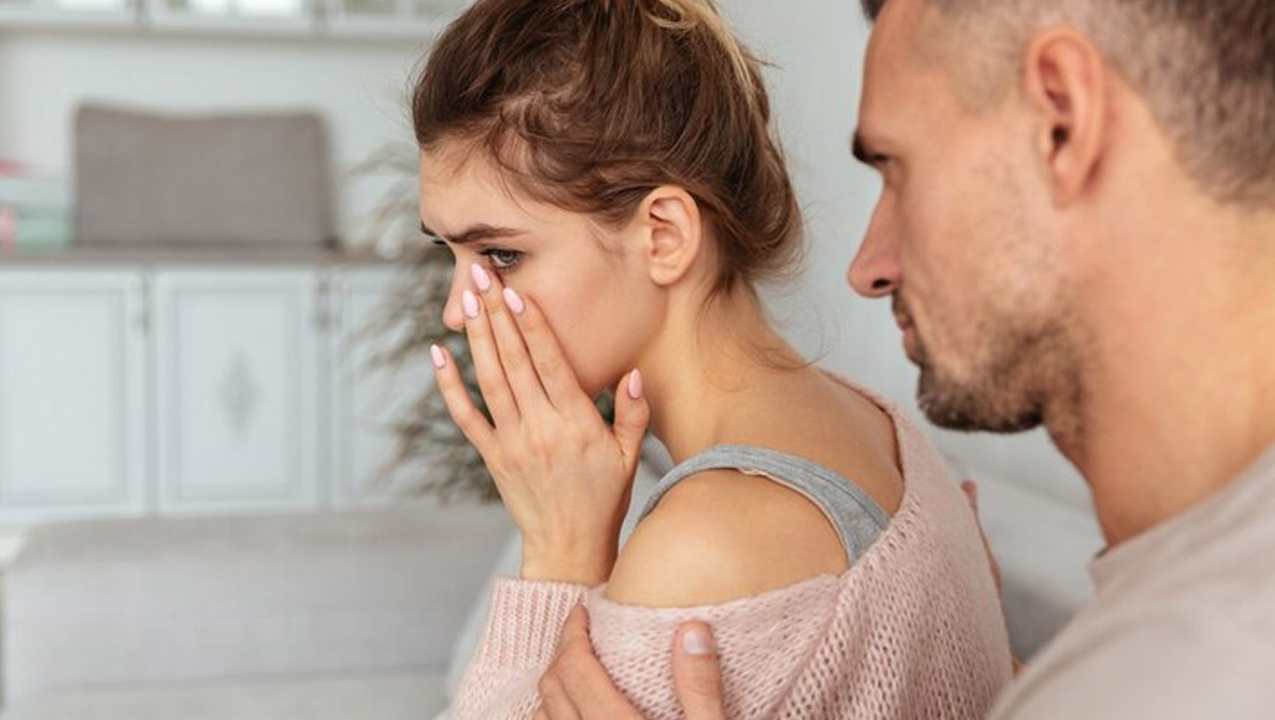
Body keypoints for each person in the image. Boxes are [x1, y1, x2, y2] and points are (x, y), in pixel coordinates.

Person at [533, 0, 1275, 717]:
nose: (868, 267)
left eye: (897, 168)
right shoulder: (1188, 617)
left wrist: (558, 562)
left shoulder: (1203, 662)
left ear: (1062, 121)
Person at [415, 0, 1014, 717]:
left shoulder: (704, 550)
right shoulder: (878, 425)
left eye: (500, 254)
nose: (460, 308)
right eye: (448, 253)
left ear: (664, 236)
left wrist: (559, 561)